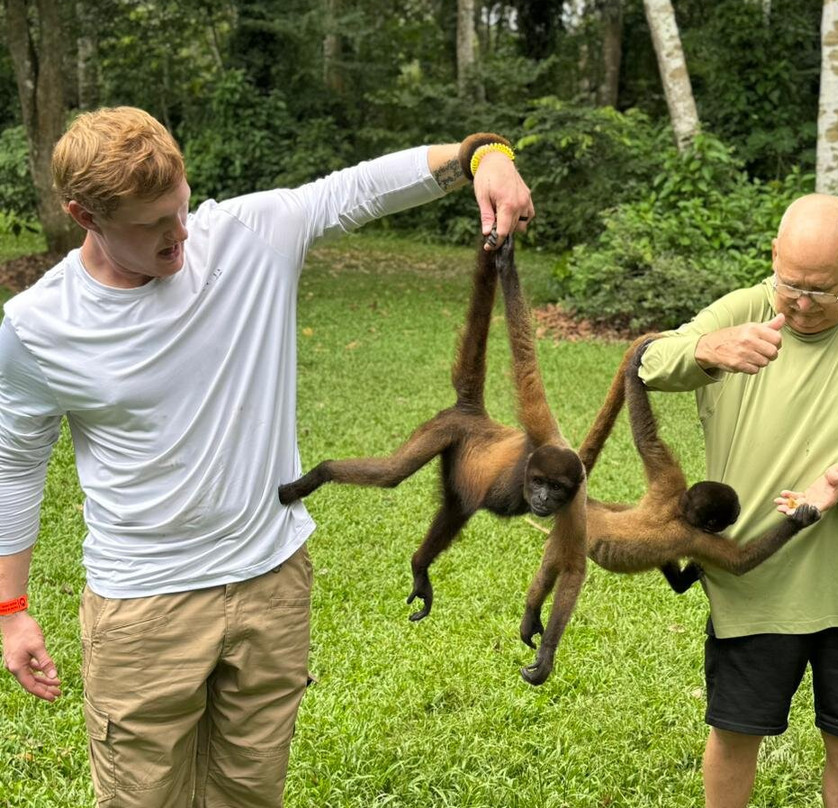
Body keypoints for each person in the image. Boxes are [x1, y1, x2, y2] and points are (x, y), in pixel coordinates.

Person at [0, 106, 532, 807]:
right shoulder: (38, 329)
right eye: (151, 224)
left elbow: (357, 189)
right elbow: (15, 462)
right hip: (143, 609)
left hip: (271, 587)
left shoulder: (245, 237)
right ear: (84, 215)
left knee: (250, 796)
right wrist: (11, 608)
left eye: (181, 209)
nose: (178, 233)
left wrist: (482, 155)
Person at [638, 193, 838, 808]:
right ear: (773, 258)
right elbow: (649, 362)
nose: (802, 303)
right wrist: (706, 351)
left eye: (821, 289)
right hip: (753, 581)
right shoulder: (740, 312)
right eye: (790, 285)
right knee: (735, 734)